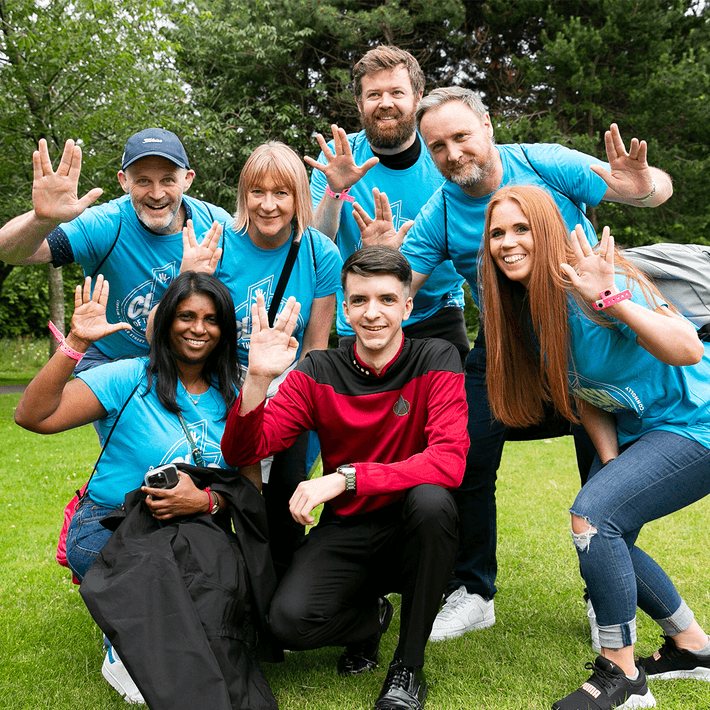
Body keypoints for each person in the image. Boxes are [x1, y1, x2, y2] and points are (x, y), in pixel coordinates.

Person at [358, 85, 674, 641]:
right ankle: (475, 590)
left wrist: (643, 186)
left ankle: (604, 590)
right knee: (465, 449)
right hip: (506, 353)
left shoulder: (546, 163)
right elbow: (397, 293)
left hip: (584, 340)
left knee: (605, 463)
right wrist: (381, 258)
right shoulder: (441, 215)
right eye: (438, 147)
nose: (453, 154)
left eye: (461, 137)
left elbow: (652, 190)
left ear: (487, 126)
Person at [480, 184, 710, 710]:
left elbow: (688, 347)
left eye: (522, 229)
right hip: (648, 433)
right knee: (611, 529)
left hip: (699, 422)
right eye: (497, 233)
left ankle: (622, 675)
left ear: (548, 232)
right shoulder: (531, 313)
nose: (508, 243)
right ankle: (693, 648)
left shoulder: (601, 280)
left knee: (592, 518)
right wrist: (610, 464)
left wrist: (610, 297)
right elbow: (585, 393)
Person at [14, 272, 277, 710]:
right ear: (166, 320)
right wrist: (76, 345)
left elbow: (248, 490)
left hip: (197, 532)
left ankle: (144, 627)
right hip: (110, 524)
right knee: (164, 590)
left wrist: (207, 500)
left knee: (217, 605)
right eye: (186, 315)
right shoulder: (129, 377)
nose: (198, 328)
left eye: (211, 319)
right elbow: (32, 416)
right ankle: (123, 646)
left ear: (225, 329)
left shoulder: (235, 392)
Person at [221, 246, 469, 710]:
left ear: (407, 306)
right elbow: (243, 451)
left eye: (387, 300)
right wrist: (256, 379)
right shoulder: (318, 369)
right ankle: (370, 619)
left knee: (432, 502)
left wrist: (346, 479)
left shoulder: (436, 357)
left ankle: (407, 668)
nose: (372, 313)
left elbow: (448, 460)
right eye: (359, 301)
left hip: (417, 528)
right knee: (286, 623)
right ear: (346, 306)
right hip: (349, 529)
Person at [210, 140, 342, 577]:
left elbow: (317, 347)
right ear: (244, 195)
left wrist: (284, 399)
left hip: (291, 389)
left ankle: (281, 591)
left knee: (286, 493)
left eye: (281, 193)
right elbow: (196, 332)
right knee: (230, 492)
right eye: (258, 192)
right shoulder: (222, 245)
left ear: (299, 196)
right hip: (225, 385)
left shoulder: (320, 252)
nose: (268, 205)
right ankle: (231, 584)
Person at [0, 129, 233, 371]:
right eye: (143, 180)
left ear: (187, 179)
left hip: (186, 362)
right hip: (109, 359)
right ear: (124, 181)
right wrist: (42, 220)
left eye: (168, 180)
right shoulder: (106, 224)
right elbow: (10, 252)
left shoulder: (216, 224)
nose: (156, 193)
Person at [306, 45, 469, 365]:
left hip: (436, 313)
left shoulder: (445, 155)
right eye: (374, 94)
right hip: (363, 316)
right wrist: (335, 191)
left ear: (418, 96)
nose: (385, 103)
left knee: (453, 412)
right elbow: (317, 244)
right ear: (359, 102)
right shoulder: (340, 160)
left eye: (396, 92)